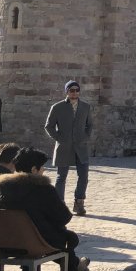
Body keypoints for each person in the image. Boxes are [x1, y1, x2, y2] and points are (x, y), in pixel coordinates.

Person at [0, 147, 90, 271]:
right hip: (36, 241)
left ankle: (74, 267)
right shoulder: (43, 189)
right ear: (33, 169)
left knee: (44, 230)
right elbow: (64, 217)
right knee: (65, 236)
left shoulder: (1, 188)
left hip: (7, 239)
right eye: (42, 167)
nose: (44, 170)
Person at [43, 80, 93, 216]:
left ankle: (79, 203)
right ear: (67, 91)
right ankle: (60, 206)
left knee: (84, 176)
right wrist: (60, 138)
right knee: (61, 177)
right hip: (64, 147)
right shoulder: (57, 107)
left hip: (81, 147)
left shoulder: (85, 107)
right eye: (72, 90)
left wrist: (85, 137)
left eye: (77, 90)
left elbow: (90, 124)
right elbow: (49, 126)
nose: (75, 93)